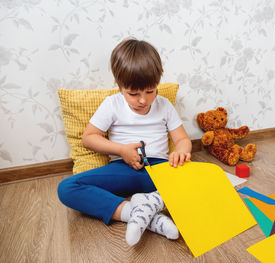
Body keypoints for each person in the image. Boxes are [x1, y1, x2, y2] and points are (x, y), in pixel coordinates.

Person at [57, 39, 192, 246]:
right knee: (67, 188)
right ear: (119, 86)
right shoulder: (112, 104)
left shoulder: (164, 105)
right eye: (133, 93)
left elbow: (182, 139)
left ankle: (149, 205)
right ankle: (136, 213)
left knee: (200, 186)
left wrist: (181, 151)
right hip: (125, 169)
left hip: (161, 169)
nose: (143, 100)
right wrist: (121, 150)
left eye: (150, 91)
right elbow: (88, 138)